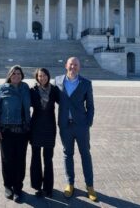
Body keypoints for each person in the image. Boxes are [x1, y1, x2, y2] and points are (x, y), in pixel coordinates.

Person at [55, 57, 97, 202]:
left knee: (85, 154)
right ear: (66, 65)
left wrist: (88, 122)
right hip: (65, 125)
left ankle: (90, 186)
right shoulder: (58, 81)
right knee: (67, 154)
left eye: (76, 65)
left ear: (79, 67)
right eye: (71, 64)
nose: (73, 67)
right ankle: (70, 183)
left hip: (81, 126)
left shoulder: (86, 83)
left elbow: (90, 105)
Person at [0, 65, 30, 203]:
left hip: (22, 131)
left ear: (22, 75)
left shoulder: (26, 88)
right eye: (14, 74)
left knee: (20, 160)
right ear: (9, 75)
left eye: (19, 74)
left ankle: (18, 187)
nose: (16, 76)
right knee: (7, 160)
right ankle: (8, 186)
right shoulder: (1, 89)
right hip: (6, 131)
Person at [30, 68, 59, 198]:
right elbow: (23, 105)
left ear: (48, 76)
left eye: (44, 75)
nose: (42, 78)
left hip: (49, 128)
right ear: (37, 77)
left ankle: (48, 187)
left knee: (48, 159)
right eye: (40, 76)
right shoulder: (32, 90)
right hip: (35, 127)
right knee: (35, 157)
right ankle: (37, 186)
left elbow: (65, 103)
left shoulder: (54, 90)